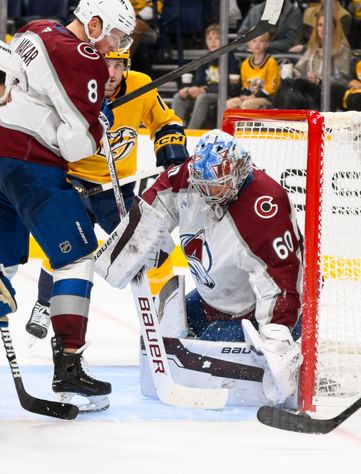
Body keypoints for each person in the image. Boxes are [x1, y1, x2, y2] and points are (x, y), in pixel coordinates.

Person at [94, 130, 303, 405]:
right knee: (163, 334)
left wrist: (276, 336)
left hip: (257, 309)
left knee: (208, 342)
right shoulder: (187, 177)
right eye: (202, 184)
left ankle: (294, 338)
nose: (207, 193)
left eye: (216, 186)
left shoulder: (265, 206)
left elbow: (281, 277)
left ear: (238, 173)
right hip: (214, 299)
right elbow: (154, 206)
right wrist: (118, 261)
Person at [0, 0, 136, 412]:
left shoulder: (35, 28)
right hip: (30, 166)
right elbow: (77, 145)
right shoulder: (84, 57)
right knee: (76, 260)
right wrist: (96, 123)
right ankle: (69, 367)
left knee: (4, 263)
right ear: (93, 23)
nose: (113, 47)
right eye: (113, 34)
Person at [24, 48, 189, 343]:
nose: (111, 74)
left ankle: (167, 315)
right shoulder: (72, 86)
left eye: (118, 65)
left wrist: (171, 152)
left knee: (153, 247)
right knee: (65, 250)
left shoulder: (140, 86)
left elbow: (167, 122)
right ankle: (44, 304)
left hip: (118, 188)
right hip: (74, 184)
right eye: (104, 65)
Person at [172, 24, 236, 129]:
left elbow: (228, 87)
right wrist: (189, 89)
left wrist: (204, 89)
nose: (213, 42)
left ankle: (191, 131)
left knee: (203, 98)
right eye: (209, 38)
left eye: (217, 38)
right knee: (179, 96)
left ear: (224, 40)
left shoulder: (230, 59)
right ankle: (174, 130)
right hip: (204, 92)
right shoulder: (205, 59)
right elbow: (199, 82)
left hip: (222, 95)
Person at [225, 33, 280, 110]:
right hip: (250, 97)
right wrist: (244, 96)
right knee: (228, 104)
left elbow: (272, 87)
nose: (257, 44)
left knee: (245, 105)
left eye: (261, 41)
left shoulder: (271, 62)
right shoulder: (245, 64)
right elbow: (245, 86)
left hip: (266, 98)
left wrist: (253, 97)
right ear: (249, 44)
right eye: (254, 41)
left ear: (267, 44)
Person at [239, 0, 303, 54]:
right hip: (253, 58)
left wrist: (264, 46)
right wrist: (249, 47)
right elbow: (241, 37)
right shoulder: (254, 11)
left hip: (282, 58)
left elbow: (292, 41)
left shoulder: (294, 13)